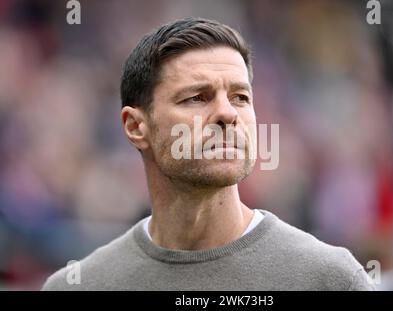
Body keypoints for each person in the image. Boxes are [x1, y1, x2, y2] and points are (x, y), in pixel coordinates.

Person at [42, 17, 375, 290]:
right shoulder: (79, 287)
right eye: (196, 98)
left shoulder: (330, 280)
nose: (227, 113)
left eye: (240, 97)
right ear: (135, 127)